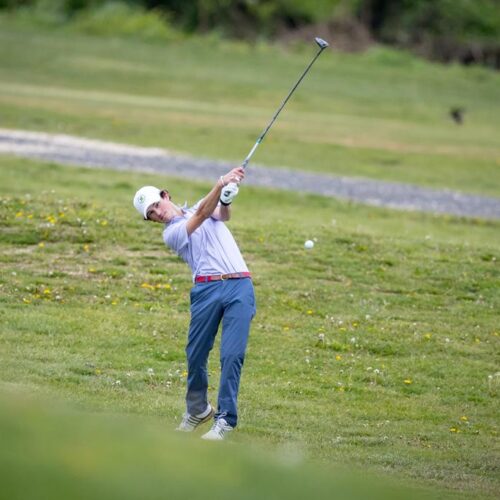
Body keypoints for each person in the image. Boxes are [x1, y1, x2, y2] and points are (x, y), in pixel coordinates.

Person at [133, 167, 256, 440]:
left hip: (240, 285)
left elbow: (220, 214)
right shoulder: (171, 234)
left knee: (231, 355)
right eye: (150, 214)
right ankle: (198, 409)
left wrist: (225, 198)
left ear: (166, 195)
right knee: (196, 354)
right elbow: (202, 215)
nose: (157, 213)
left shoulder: (203, 205)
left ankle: (225, 420)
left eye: (156, 205)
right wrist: (220, 183)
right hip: (206, 289)